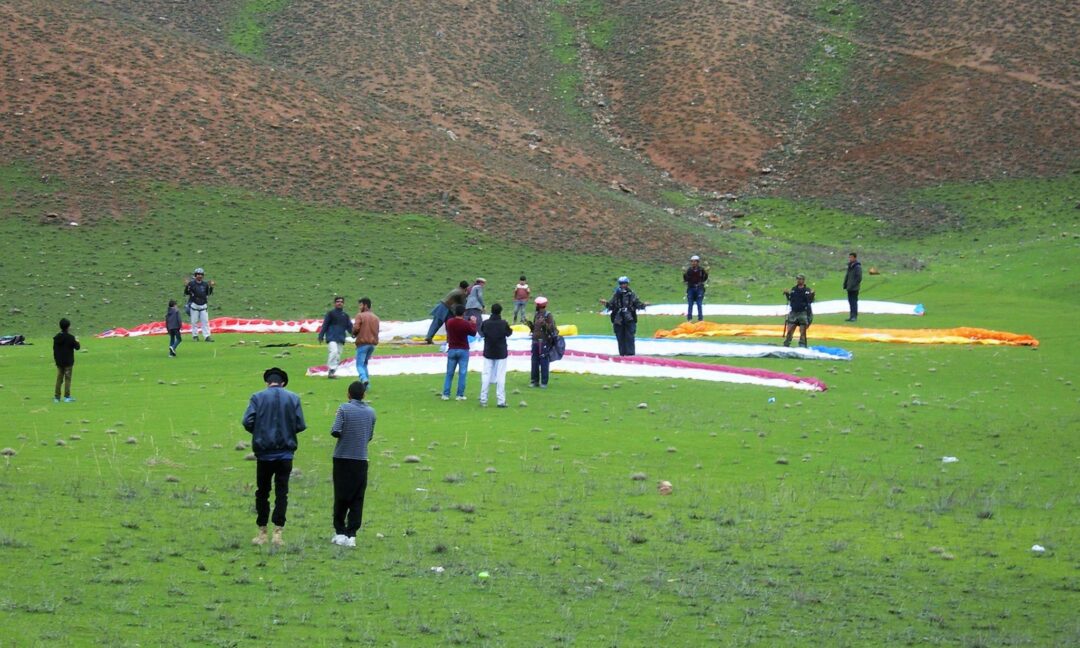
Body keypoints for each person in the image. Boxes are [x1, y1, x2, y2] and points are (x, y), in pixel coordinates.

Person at [243, 367, 307, 547]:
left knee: (262, 492)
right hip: (285, 454)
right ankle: (278, 533)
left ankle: (262, 532)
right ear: (283, 382)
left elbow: (247, 421)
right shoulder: (293, 398)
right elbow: (300, 424)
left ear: (267, 382)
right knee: (282, 492)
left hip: (264, 454)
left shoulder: (257, 397)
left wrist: (258, 432)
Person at [330, 380, 375, 547]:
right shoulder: (371, 412)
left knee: (341, 495)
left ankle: (340, 531)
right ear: (364, 395)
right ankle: (352, 534)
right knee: (357, 497)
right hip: (361, 458)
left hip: (342, 457)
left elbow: (335, 431)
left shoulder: (343, 408)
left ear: (348, 394)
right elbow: (369, 436)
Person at [599, 276, 648, 356]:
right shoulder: (616, 294)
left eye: (624, 284)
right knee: (620, 337)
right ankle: (622, 354)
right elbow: (611, 305)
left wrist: (643, 305)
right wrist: (606, 303)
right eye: (621, 284)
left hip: (629, 318)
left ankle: (630, 355)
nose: (623, 285)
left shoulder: (631, 294)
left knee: (630, 337)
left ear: (627, 284)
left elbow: (637, 304)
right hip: (618, 319)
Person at [479, 303, 513, 407]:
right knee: (500, 376)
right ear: (500, 312)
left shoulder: (486, 323)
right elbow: (509, 333)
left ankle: (483, 399)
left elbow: (481, 333)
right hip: (501, 352)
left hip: (488, 351)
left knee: (486, 375)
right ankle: (501, 400)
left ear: (491, 311)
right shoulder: (503, 323)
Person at [441, 304, 477, 400]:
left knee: (449, 373)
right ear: (464, 312)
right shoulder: (465, 324)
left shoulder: (449, 322)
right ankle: (459, 395)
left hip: (452, 349)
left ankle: (446, 394)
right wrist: (473, 323)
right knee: (462, 373)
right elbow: (473, 333)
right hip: (463, 349)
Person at [318, 297, 352, 379]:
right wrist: (321, 335)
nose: (339, 303)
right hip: (331, 337)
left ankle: (332, 372)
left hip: (341, 338)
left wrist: (355, 334)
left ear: (343, 304)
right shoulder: (330, 313)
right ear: (334, 303)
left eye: (341, 302)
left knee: (338, 356)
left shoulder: (345, 315)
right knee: (333, 352)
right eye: (337, 301)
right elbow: (325, 325)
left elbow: (349, 327)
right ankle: (331, 369)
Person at [525, 296, 556, 388]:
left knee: (543, 361)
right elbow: (535, 328)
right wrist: (529, 325)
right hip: (535, 341)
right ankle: (534, 381)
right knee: (534, 361)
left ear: (540, 305)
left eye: (537, 304)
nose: (536, 306)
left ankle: (544, 382)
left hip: (544, 342)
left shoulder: (548, 315)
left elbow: (551, 328)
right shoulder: (537, 314)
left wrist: (544, 324)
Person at [352, 297, 380, 387]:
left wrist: (354, 334)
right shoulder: (376, 318)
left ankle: (364, 379)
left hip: (363, 343)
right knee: (365, 364)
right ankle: (366, 386)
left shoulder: (360, 315)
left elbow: (356, 328)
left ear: (366, 305)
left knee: (359, 365)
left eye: (360, 305)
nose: (359, 307)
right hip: (372, 345)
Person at [783, 274, 816, 348]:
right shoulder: (794, 289)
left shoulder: (807, 290)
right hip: (794, 312)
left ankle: (802, 345)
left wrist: (812, 294)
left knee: (803, 331)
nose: (798, 280)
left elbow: (810, 301)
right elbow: (790, 299)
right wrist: (787, 294)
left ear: (803, 280)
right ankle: (786, 344)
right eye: (797, 279)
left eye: (800, 279)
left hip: (803, 313)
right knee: (790, 330)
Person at [52, 318, 80, 403]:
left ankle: (57, 397)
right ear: (68, 327)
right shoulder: (70, 338)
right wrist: (77, 341)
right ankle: (67, 397)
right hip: (68, 362)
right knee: (68, 379)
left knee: (59, 379)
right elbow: (77, 348)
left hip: (59, 362)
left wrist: (56, 360)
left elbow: (54, 350)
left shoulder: (56, 338)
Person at [184, 268, 215, 342]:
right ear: (195, 275)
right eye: (198, 274)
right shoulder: (191, 284)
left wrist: (211, 287)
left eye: (201, 274)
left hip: (203, 305)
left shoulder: (205, 284)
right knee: (194, 322)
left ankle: (207, 336)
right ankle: (195, 336)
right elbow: (186, 293)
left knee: (205, 322)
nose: (200, 276)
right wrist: (186, 286)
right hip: (194, 305)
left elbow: (208, 293)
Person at [683, 255, 709, 321]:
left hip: (699, 288)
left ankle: (700, 319)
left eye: (695, 261)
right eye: (692, 261)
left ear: (698, 262)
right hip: (691, 288)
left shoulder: (701, 270)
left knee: (699, 304)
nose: (693, 263)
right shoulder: (689, 270)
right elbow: (686, 279)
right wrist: (684, 274)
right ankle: (689, 319)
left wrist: (706, 273)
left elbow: (704, 278)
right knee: (690, 304)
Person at [843, 252, 863, 322]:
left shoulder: (857, 267)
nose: (850, 259)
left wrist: (853, 285)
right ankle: (851, 316)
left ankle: (854, 316)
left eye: (851, 257)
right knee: (850, 302)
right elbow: (847, 276)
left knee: (854, 302)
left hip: (854, 288)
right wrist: (845, 284)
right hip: (849, 287)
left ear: (855, 258)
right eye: (849, 257)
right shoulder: (850, 266)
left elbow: (859, 278)